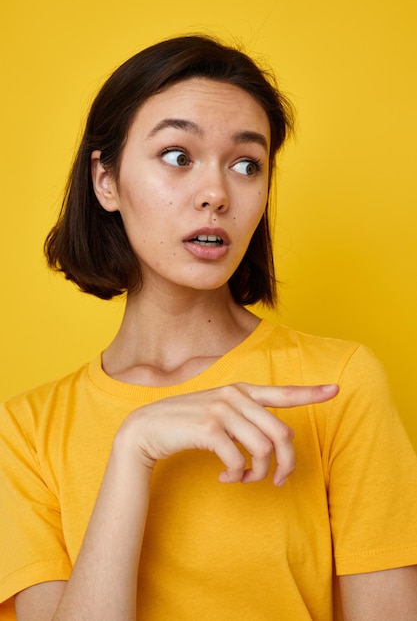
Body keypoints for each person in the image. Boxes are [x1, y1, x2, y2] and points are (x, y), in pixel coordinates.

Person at [0, 35, 416, 621]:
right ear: (106, 180)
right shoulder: (25, 434)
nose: (217, 194)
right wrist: (134, 448)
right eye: (178, 156)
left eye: (247, 164)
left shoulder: (336, 385)